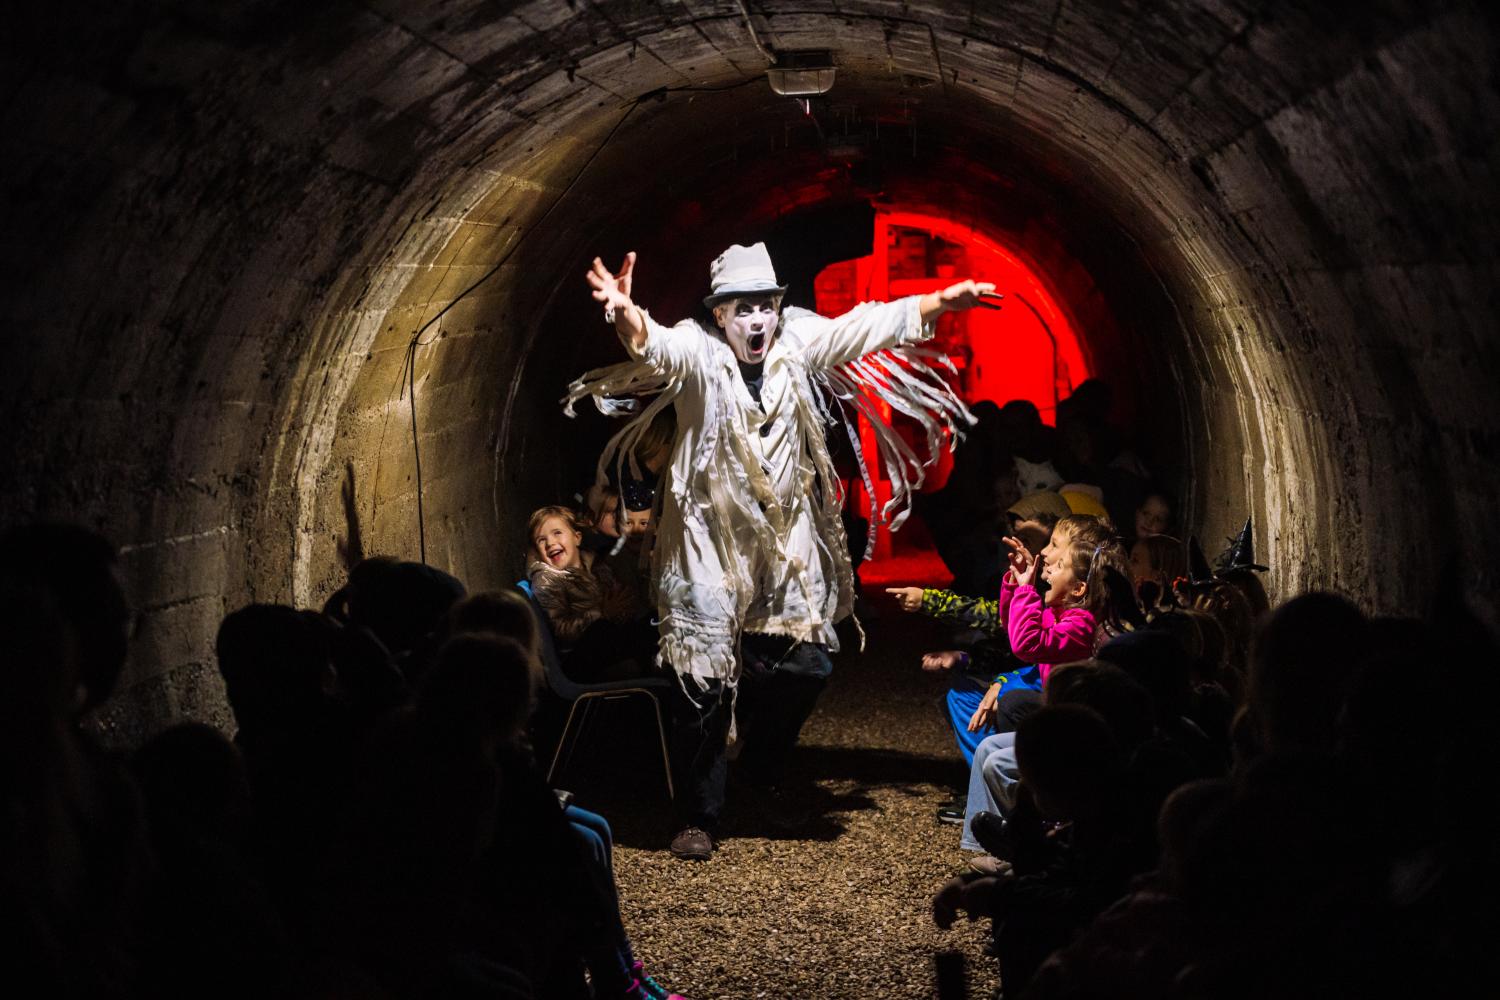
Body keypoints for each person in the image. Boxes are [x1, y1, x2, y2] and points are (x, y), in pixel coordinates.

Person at [573, 243, 996, 859]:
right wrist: (623, 311)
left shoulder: (796, 340)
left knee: (810, 665)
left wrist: (938, 300)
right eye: (742, 309)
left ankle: (761, 763)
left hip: (780, 548)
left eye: (765, 307)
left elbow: (862, 326)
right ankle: (699, 814)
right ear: (720, 315)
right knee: (702, 686)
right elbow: (653, 345)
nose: (757, 320)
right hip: (709, 545)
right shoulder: (697, 350)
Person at [526, 506, 657, 682]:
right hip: (580, 656)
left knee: (655, 621)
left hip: (611, 638)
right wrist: (602, 613)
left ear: (577, 538)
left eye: (557, 533)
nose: (550, 543)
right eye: (541, 540)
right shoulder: (547, 579)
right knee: (603, 630)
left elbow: (617, 595)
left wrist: (624, 606)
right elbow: (561, 631)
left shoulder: (595, 564)